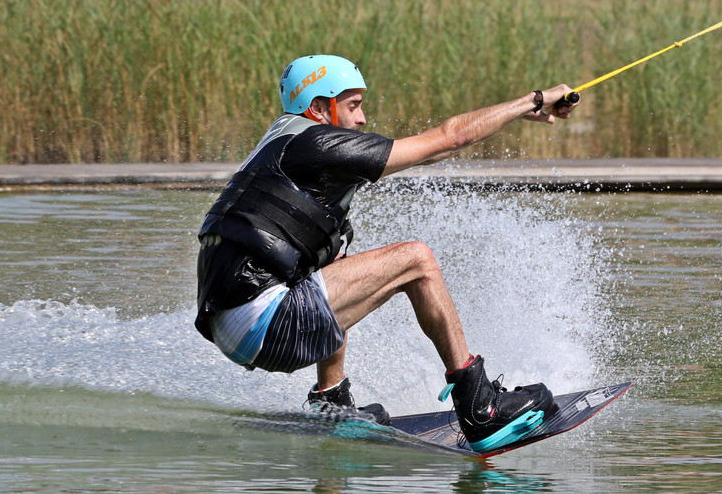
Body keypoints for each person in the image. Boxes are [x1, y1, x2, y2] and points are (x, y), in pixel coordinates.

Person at [194, 54, 578, 453]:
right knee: (416, 259)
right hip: (264, 321)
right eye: (353, 105)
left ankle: (330, 401)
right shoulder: (317, 143)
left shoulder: (284, 141)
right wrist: (533, 99)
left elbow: (436, 150)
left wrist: (512, 115)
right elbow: (452, 137)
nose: (362, 119)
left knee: (339, 258)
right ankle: (479, 406)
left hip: (233, 324)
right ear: (319, 108)